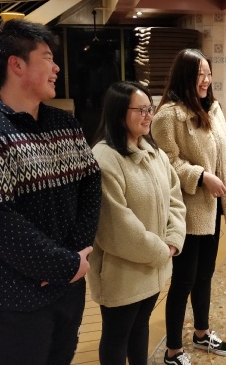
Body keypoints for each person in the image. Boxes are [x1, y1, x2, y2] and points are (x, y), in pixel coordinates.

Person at [0, 19, 102, 365]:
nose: (56, 67)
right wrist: (62, 264)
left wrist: (74, 257)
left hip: (67, 286)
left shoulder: (65, 124)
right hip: (8, 299)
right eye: (47, 58)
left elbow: (91, 185)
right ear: (16, 64)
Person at [151, 48, 226, 365]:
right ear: (184, 77)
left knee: (205, 274)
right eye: (199, 75)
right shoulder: (167, 116)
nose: (206, 80)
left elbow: (224, 156)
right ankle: (173, 351)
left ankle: (202, 333)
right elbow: (166, 163)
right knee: (183, 281)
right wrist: (201, 176)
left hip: (212, 207)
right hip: (186, 212)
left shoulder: (212, 110)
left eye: (208, 74)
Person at [88, 81, 187, 365]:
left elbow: (175, 198)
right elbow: (117, 225)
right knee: (117, 336)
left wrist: (173, 239)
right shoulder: (105, 158)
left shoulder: (153, 151)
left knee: (140, 327)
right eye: (141, 110)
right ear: (119, 113)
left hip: (153, 268)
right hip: (122, 274)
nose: (148, 116)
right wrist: (161, 251)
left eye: (150, 109)